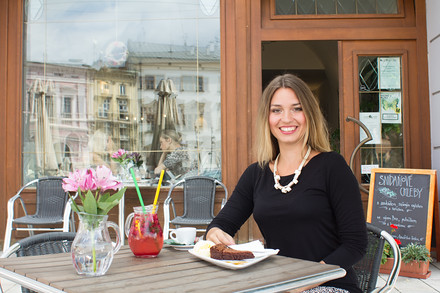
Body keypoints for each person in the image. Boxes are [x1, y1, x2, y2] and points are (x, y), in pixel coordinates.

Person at [206, 74, 367, 293]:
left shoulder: (332, 167)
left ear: (309, 114)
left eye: (297, 108)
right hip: (278, 284)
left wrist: (304, 282)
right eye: (277, 110)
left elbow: (355, 245)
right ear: (267, 118)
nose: (287, 118)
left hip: (329, 284)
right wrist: (215, 233)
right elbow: (222, 223)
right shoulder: (257, 173)